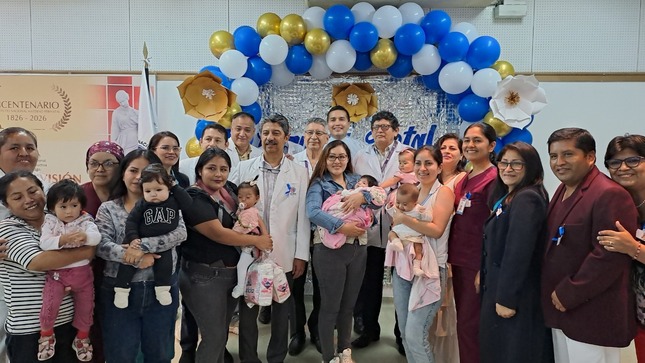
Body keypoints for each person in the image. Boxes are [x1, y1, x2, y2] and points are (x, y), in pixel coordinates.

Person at [543, 128, 637, 363]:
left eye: (567, 155)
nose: (559, 162)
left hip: (592, 311)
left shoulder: (609, 194)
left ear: (590, 157)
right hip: (562, 309)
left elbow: (608, 256)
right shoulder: (562, 189)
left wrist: (569, 292)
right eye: (553, 156)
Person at [179, 147, 272, 363]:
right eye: (212, 168)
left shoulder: (229, 190)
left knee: (220, 335)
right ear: (200, 170)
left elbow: (252, 214)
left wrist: (264, 235)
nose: (218, 174)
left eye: (224, 168)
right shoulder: (194, 197)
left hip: (229, 276)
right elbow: (218, 234)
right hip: (204, 276)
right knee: (213, 337)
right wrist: (257, 240)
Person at [230, 114, 310, 363]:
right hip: (249, 252)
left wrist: (301, 255)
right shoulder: (244, 168)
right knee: (248, 310)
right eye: (265, 133)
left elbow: (303, 218)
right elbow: (232, 206)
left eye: (276, 133)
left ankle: (276, 357)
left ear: (286, 137)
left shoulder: (299, 173)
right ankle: (249, 358)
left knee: (281, 309)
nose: (269, 138)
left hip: (283, 251)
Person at [95, 149, 186, 363]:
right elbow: (101, 245)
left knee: (160, 354)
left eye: (145, 171)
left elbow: (180, 233)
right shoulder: (109, 208)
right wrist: (135, 257)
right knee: (120, 355)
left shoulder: (171, 205)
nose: (138, 177)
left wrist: (142, 247)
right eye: (133, 170)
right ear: (123, 173)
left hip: (160, 289)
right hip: (118, 290)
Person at [0, 171, 96, 363]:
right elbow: (38, 261)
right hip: (29, 329)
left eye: (33, 191)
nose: (29, 200)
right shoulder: (8, 228)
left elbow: (92, 239)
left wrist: (87, 248)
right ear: (6, 204)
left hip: (70, 323)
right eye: (17, 197)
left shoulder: (61, 217)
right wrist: (85, 252)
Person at [306, 140, 382, 363]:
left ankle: (345, 351)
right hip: (329, 251)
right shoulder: (319, 184)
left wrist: (364, 196)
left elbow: (377, 202)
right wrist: (341, 226)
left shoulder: (357, 181)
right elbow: (312, 212)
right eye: (332, 157)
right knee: (330, 306)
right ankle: (329, 357)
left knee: (349, 306)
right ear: (325, 159)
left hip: (358, 249)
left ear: (348, 159)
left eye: (341, 156)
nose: (337, 161)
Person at [478, 142, 551, 363]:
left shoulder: (527, 198)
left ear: (531, 167)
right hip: (499, 285)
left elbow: (519, 250)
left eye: (516, 164)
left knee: (514, 352)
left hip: (515, 295)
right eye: (504, 162)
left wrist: (507, 298)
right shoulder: (509, 197)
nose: (508, 169)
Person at [385, 145, 454, 362]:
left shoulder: (443, 193)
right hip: (404, 269)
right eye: (418, 163)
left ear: (439, 166)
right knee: (405, 333)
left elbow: (436, 229)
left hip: (429, 271)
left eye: (428, 163)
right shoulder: (410, 190)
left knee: (416, 335)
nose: (422, 168)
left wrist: (404, 219)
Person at [352, 111, 407, 349]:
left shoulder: (407, 155)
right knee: (369, 284)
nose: (380, 130)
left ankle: (401, 335)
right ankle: (369, 331)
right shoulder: (360, 156)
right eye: (375, 127)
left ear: (396, 130)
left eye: (385, 126)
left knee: (401, 286)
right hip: (371, 231)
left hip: (400, 232)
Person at [448, 122, 498, 363]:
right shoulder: (466, 176)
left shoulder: (494, 179)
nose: (470, 145)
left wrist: (483, 267)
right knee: (464, 323)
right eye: (466, 140)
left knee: (471, 325)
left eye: (477, 140)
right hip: (459, 260)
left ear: (491, 146)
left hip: (476, 263)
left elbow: (496, 228)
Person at [38, 179, 101, 362]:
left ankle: (82, 338)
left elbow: (96, 238)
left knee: (86, 307)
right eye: (63, 206)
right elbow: (44, 243)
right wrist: (61, 241)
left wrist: (86, 236)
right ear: (52, 208)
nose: (69, 211)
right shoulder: (50, 222)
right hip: (57, 276)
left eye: (74, 205)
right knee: (50, 305)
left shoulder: (85, 220)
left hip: (83, 275)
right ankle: (47, 335)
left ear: (81, 205)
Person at [114, 163, 192, 309]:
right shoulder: (142, 204)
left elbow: (188, 203)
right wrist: (133, 238)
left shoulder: (174, 201)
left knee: (165, 266)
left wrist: (174, 186)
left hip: (163, 246)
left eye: (158, 189)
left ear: (168, 188)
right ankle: (122, 289)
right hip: (137, 241)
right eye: (148, 190)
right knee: (128, 264)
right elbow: (131, 221)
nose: (153, 194)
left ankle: (162, 289)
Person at [0, 127, 47, 363]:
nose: (24, 153)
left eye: (30, 148)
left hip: (41, 296)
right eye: (15, 147)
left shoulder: (46, 188)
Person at [597, 134, 645, 361]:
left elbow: (631, 250)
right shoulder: (618, 202)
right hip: (638, 316)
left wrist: (633, 248)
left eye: (633, 160)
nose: (623, 168)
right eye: (614, 163)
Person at [81, 140, 124, 363]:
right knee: (87, 334)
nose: (100, 168)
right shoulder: (76, 196)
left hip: (121, 278)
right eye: (94, 163)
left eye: (109, 163)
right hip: (83, 278)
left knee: (117, 336)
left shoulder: (130, 197)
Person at [290, 117, 329, 355]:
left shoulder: (332, 163)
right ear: (303, 136)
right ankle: (296, 332)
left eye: (319, 133)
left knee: (322, 287)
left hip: (324, 236)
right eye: (309, 132)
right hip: (296, 233)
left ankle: (317, 330)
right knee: (295, 286)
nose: (314, 137)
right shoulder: (292, 162)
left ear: (326, 138)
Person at [429, 132, 466, 363]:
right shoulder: (432, 177)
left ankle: (447, 357)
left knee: (447, 305)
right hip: (429, 248)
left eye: (453, 148)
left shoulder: (462, 179)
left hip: (450, 249)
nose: (447, 151)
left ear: (461, 153)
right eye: (443, 147)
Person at [318, 175, 385, 249]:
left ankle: (336, 236)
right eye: (359, 181)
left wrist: (362, 197)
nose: (359, 183)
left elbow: (379, 199)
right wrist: (341, 194)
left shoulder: (367, 191)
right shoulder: (353, 190)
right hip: (344, 218)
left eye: (363, 183)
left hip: (357, 218)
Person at [231, 181, 268, 299]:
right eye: (240, 197)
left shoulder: (250, 213)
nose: (243, 200)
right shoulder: (245, 211)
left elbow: (240, 229)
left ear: (256, 198)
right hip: (249, 245)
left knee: (242, 266)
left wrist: (231, 234)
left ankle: (240, 287)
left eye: (248, 197)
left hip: (250, 246)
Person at [386, 184, 427, 276]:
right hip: (399, 233)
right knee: (391, 234)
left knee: (418, 249)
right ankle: (397, 243)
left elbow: (427, 217)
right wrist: (390, 206)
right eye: (398, 202)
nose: (400, 206)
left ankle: (416, 267)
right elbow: (392, 212)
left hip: (413, 235)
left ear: (414, 203)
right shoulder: (398, 209)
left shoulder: (417, 209)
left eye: (405, 204)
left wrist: (424, 213)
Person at [111, 90, 139, 155]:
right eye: (120, 102)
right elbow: (114, 129)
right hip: (123, 140)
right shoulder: (116, 113)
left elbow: (141, 127)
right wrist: (113, 144)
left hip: (134, 139)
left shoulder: (135, 112)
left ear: (127, 98)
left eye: (123, 101)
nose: (123, 104)